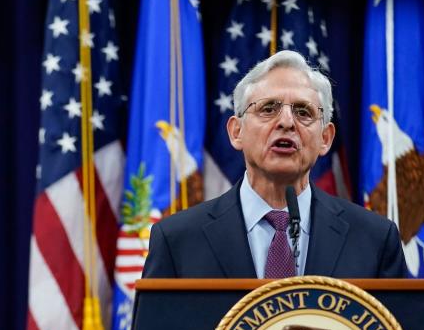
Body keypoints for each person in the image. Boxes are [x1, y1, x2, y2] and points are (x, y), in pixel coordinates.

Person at [142, 50, 407, 280]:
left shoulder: (374, 240)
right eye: (268, 108)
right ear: (236, 132)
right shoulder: (177, 241)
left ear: (325, 138)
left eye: (303, 112)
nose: (287, 122)